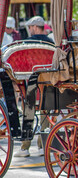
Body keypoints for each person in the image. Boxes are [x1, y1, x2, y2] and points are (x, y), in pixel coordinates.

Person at [14, 16, 53, 157]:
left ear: (35, 28)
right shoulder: (51, 43)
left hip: (31, 84)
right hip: (47, 85)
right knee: (45, 114)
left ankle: (25, 147)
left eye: (30, 28)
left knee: (28, 115)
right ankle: (42, 146)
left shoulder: (26, 43)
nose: (29, 31)